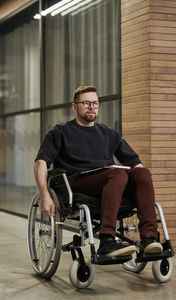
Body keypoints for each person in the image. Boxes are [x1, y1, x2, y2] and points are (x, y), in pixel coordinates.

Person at [34, 85, 163, 258]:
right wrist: (44, 194)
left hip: (111, 182)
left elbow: (135, 163)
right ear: (74, 106)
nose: (91, 107)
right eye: (86, 103)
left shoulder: (110, 134)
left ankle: (148, 238)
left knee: (143, 173)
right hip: (79, 183)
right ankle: (107, 240)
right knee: (117, 174)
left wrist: (140, 184)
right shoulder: (60, 132)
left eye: (95, 103)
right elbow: (41, 162)